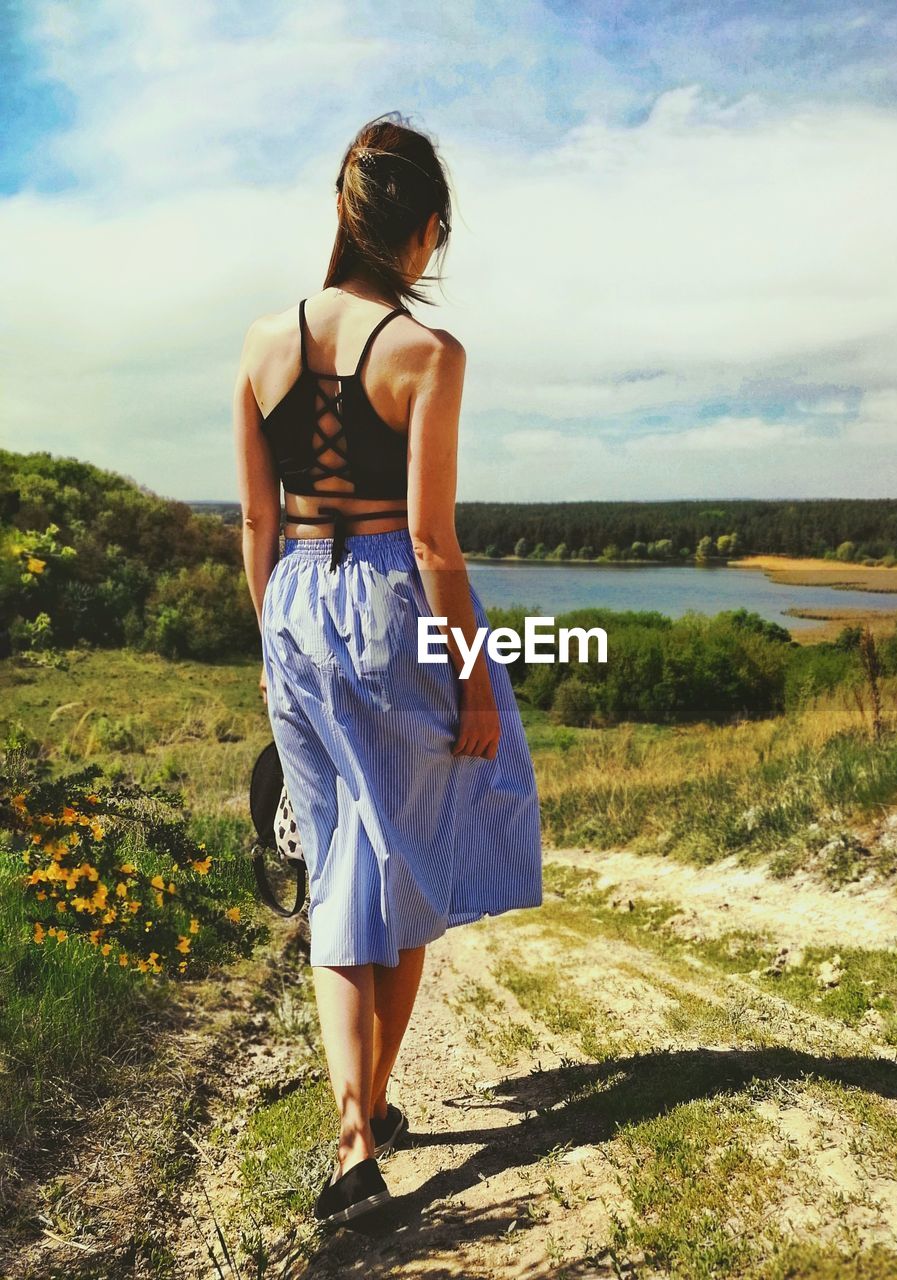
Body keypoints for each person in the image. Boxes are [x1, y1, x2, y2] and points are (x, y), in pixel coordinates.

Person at [231, 112, 543, 1227]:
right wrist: (470, 680)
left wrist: (280, 653)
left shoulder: (262, 343)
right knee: (409, 856)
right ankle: (369, 1118)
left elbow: (256, 523)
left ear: (339, 213)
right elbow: (430, 543)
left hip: (294, 611)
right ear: (422, 231)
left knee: (333, 866)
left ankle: (358, 1131)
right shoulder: (428, 354)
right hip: (389, 606)